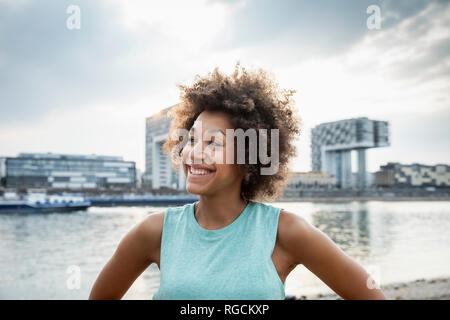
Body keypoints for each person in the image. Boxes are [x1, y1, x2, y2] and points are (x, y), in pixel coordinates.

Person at [89, 63, 386, 300]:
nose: (194, 152)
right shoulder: (154, 232)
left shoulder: (286, 232)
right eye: (191, 139)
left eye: (213, 143)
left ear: (250, 157)